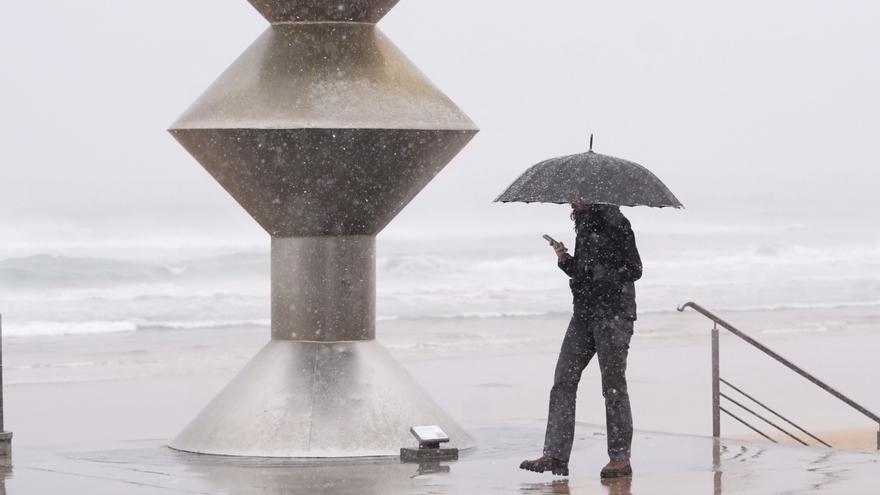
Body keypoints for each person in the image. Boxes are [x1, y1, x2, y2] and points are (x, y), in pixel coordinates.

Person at [520, 202, 642, 479]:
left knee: (612, 386)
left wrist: (603, 275)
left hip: (614, 314)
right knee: (563, 380)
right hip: (584, 314)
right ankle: (556, 455)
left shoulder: (616, 222)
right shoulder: (584, 224)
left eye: (578, 195)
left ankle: (620, 459)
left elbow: (634, 269)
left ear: (594, 194)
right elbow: (583, 272)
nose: (572, 201)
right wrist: (565, 261)